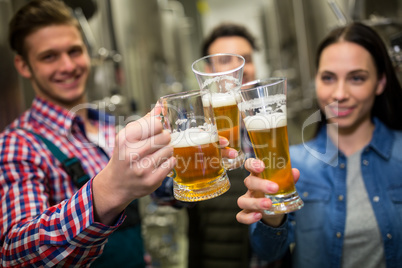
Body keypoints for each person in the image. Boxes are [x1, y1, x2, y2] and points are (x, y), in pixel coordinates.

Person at [0, 0, 176, 267]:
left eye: (74, 51)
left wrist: (185, 174)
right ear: (24, 66)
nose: (68, 66)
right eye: (49, 56)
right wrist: (106, 192)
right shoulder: (18, 144)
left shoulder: (110, 126)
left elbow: (156, 191)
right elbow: (15, 252)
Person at [236, 22, 402, 268]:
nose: (339, 93)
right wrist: (271, 215)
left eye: (356, 78)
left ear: (380, 83)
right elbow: (269, 252)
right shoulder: (291, 164)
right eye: (328, 78)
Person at [186, 22, 262, 268]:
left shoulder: (275, 125)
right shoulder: (193, 133)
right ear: (207, 72)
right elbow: (167, 193)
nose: (241, 69)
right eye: (227, 60)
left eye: (246, 59)